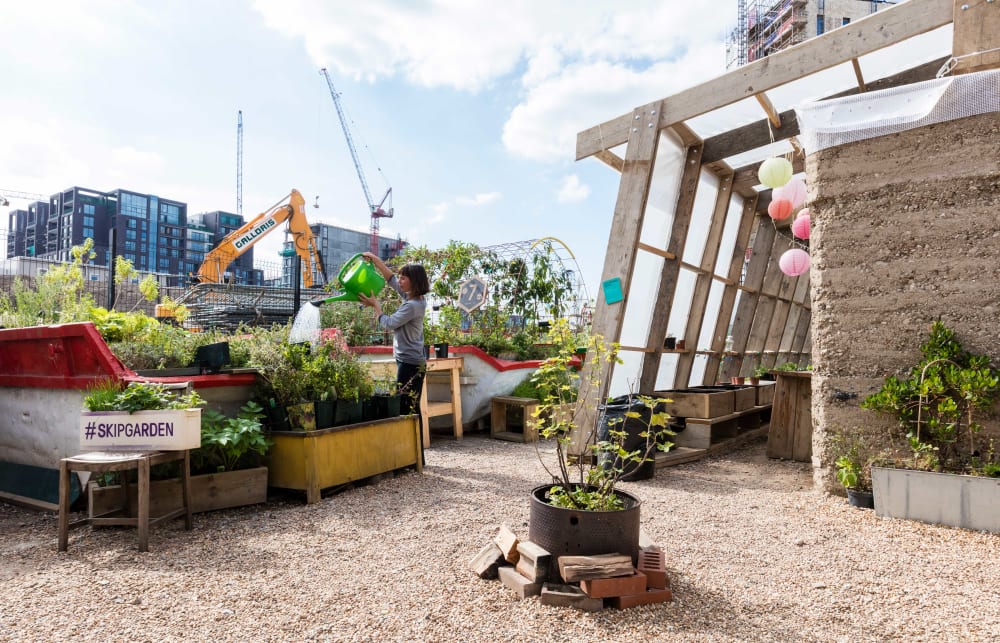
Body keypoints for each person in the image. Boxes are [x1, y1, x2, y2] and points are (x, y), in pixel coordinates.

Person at [357, 252, 430, 416]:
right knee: (409, 404)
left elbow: (388, 324)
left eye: (404, 278)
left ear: (414, 282)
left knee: (406, 407)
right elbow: (391, 279)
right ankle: (414, 441)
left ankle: (414, 441)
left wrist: (376, 305)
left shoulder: (412, 305)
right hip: (409, 360)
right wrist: (375, 260)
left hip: (410, 363)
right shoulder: (413, 297)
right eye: (401, 277)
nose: (400, 281)